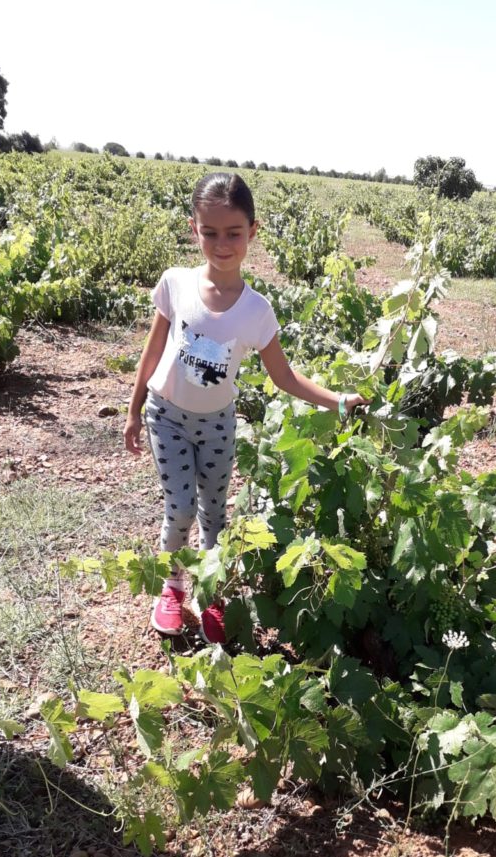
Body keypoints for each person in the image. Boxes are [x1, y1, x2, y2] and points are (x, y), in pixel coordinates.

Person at [124, 172, 367, 644]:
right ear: (194, 228)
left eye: (234, 233)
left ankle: (210, 590)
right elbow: (151, 353)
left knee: (215, 514)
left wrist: (338, 401)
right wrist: (133, 410)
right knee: (180, 510)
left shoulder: (257, 311)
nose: (221, 243)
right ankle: (172, 586)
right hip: (166, 415)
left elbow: (284, 376)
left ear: (253, 232)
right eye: (209, 232)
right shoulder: (175, 285)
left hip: (217, 425)